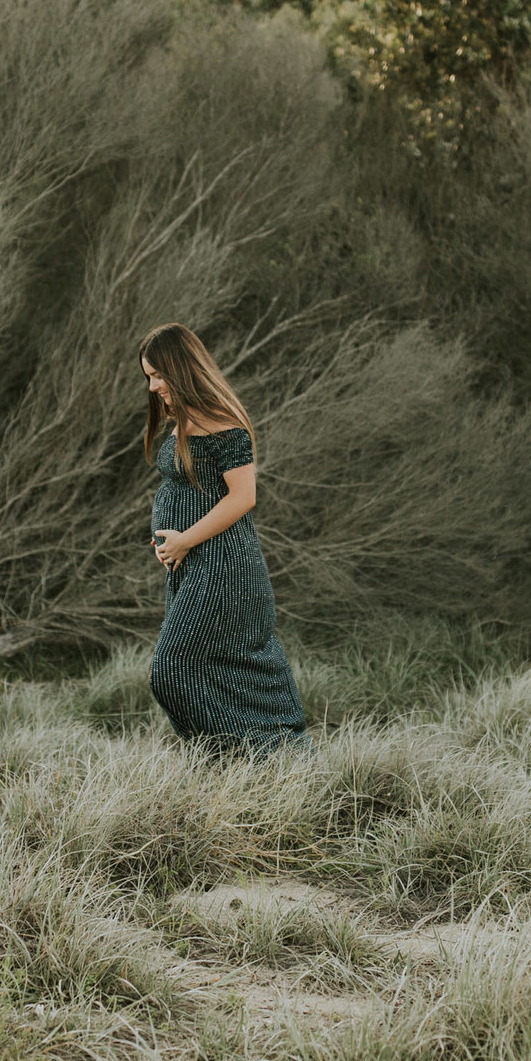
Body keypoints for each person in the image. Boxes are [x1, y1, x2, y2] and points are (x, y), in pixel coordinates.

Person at [139, 322, 310, 754]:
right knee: (208, 669)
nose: (154, 385)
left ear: (181, 368)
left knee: (174, 668)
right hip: (192, 566)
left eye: (159, 374)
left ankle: (256, 754)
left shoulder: (221, 421)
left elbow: (244, 497)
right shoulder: (184, 421)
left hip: (222, 566)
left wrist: (184, 540)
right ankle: (224, 765)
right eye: (148, 377)